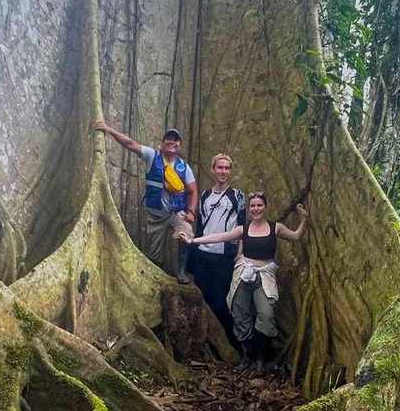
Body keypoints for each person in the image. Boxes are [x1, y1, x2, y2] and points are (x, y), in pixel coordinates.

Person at [179, 193, 309, 373]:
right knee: (239, 314)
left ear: (265, 207)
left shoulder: (275, 227)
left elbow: (295, 236)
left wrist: (304, 220)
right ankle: (248, 357)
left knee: (266, 314)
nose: (256, 209)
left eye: (259, 205)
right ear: (248, 209)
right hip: (243, 274)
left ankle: (262, 357)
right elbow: (219, 236)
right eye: (253, 206)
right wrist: (192, 240)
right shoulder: (243, 229)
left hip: (264, 276)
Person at [94, 121, 198, 283]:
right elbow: (130, 144)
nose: (172, 142)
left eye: (175, 140)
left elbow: (193, 191)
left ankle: (181, 271)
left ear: (179, 146)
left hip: (177, 213)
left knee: (187, 234)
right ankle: (158, 278)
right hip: (156, 215)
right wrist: (110, 131)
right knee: (154, 254)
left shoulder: (184, 167)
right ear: (162, 143)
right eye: (168, 139)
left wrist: (191, 212)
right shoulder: (152, 156)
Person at [193, 153, 246, 343]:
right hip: (203, 254)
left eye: (226, 168)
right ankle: (206, 341)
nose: (223, 171)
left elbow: (242, 227)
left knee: (221, 301)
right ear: (213, 169)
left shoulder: (238, 196)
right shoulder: (205, 195)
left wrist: (240, 253)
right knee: (203, 297)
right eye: (220, 168)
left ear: (230, 171)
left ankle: (231, 342)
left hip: (224, 256)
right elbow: (200, 226)